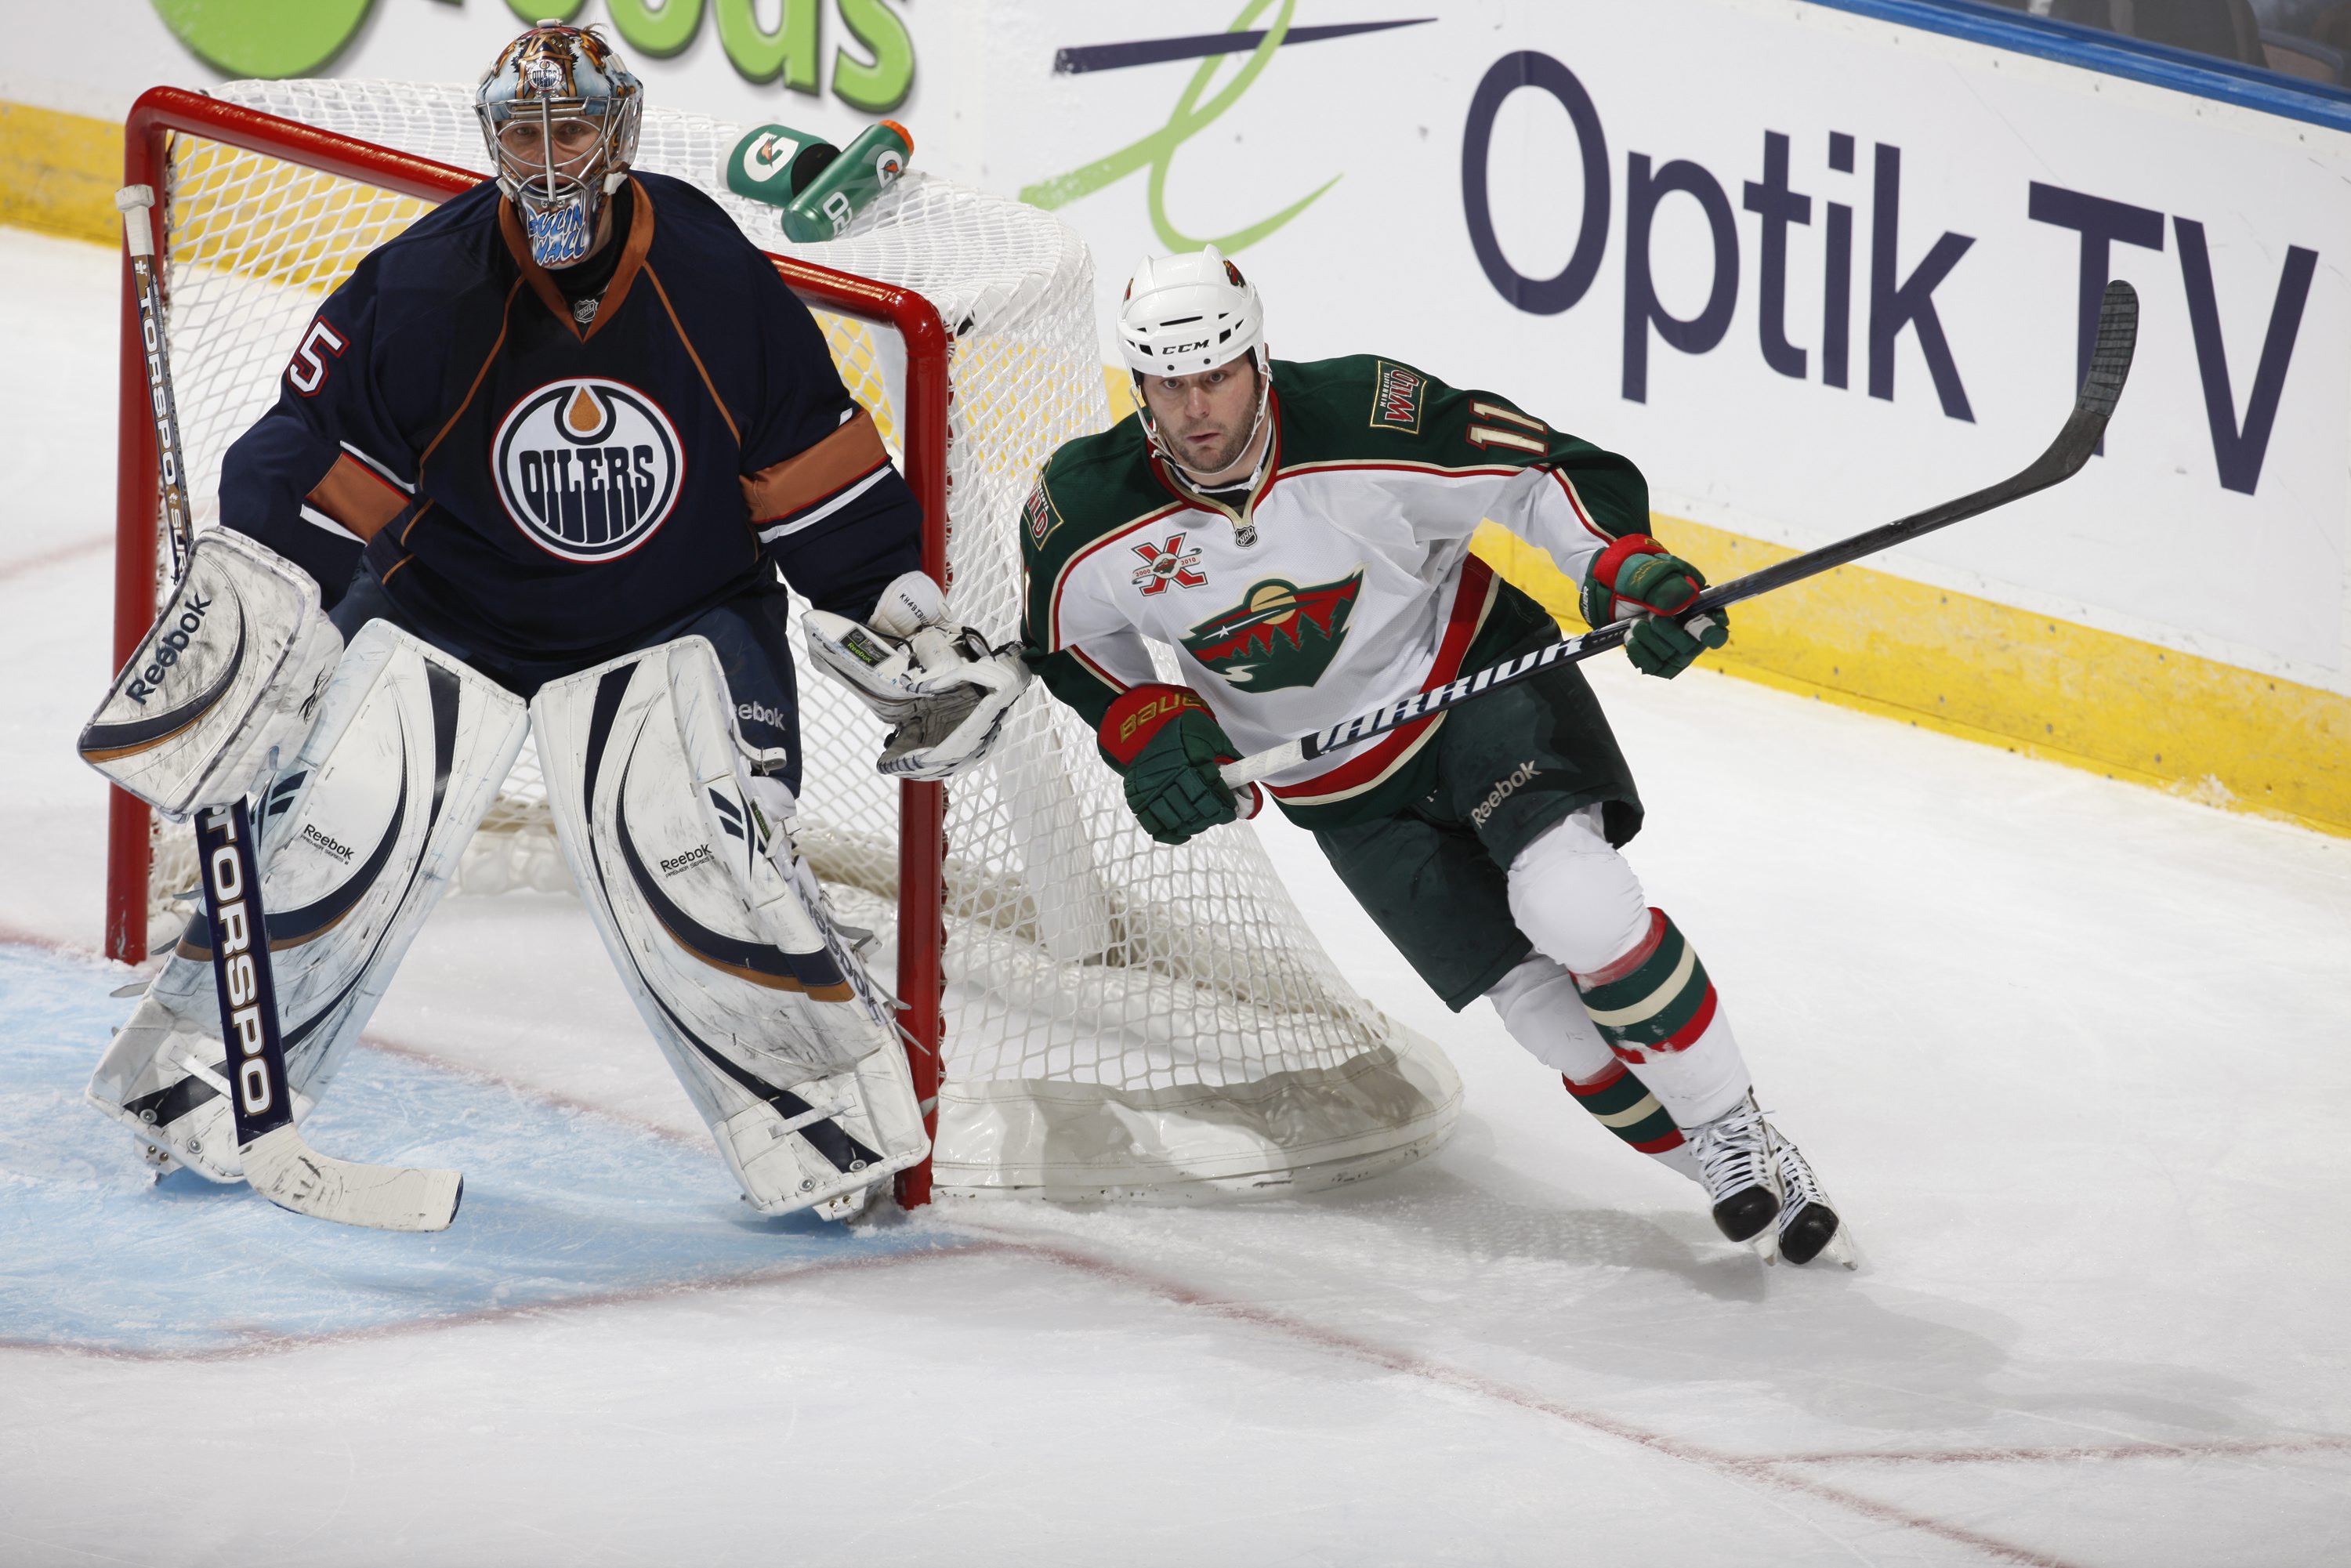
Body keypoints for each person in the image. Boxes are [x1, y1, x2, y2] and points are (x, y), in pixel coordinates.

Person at [84, 24, 1020, 1219]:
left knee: (698, 845)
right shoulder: (427, 287)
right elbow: (311, 459)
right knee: (334, 819)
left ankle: (824, 1122)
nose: (546, 159)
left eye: (569, 128)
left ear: (619, 132)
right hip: (448, 611)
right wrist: (257, 614)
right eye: (520, 135)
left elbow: (809, 472)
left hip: (680, 617)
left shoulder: (709, 273)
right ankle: (200, 1085)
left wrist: (897, 619)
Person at [1017, 247, 1849, 1265]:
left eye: (1218, 376)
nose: (1196, 408)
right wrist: (1150, 722)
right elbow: (1064, 640)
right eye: (1169, 383)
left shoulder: (1367, 416)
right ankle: (1737, 1167)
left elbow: (1541, 471)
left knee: (1575, 903)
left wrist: (1619, 565)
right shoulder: (1086, 507)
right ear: (1140, 385)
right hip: (1332, 781)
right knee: (1543, 1017)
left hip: (1469, 683)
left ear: (1258, 360)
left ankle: (1731, 1128)